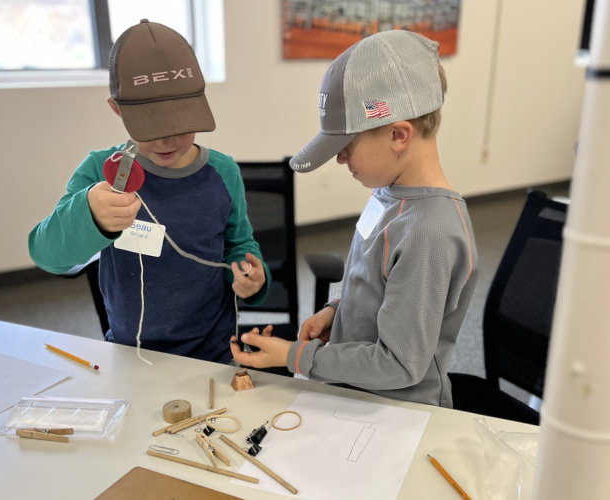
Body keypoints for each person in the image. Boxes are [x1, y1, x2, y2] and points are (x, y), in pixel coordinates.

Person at [231, 30, 478, 407]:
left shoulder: (430, 233)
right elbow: (367, 273)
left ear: (398, 135)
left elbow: (398, 364)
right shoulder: (387, 193)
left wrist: (294, 356)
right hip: (355, 389)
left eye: (346, 146)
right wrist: (337, 308)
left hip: (398, 410)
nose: (340, 159)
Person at [29, 20, 270, 363]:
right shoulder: (101, 172)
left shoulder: (223, 172)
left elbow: (240, 244)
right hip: (132, 354)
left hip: (215, 352)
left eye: (179, 122)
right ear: (117, 109)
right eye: (150, 125)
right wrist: (89, 215)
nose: (165, 140)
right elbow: (47, 255)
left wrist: (252, 275)